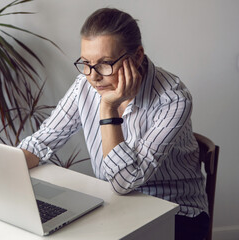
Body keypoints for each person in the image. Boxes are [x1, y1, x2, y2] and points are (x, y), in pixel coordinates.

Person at [18, 8, 209, 240]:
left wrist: (108, 108)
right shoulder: (85, 85)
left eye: (105, 63)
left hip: (176, 211)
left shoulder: (173, 99)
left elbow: (124, 181)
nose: (93, 76)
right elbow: (41, 142)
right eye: (86, 63)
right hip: (115, 204)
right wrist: (5, 169)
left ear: (137, 56)